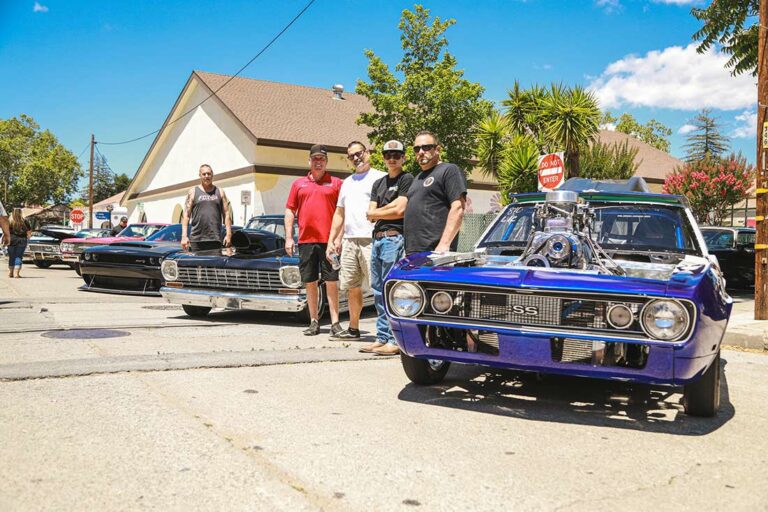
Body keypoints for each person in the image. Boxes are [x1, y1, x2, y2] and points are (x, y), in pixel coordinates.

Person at [326, 142, 386, 341]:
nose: (356, 158)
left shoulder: (380, 177)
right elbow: (339, 213)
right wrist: (332, 240)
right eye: (351, 156)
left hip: (372, 239)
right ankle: (353, 329)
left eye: (359, 153)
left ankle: (386, 335)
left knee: (379, 287)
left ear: (367, 153)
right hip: (350, 241)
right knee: (353, 287)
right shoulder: (347, 183)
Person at [285, 144, 343, 336]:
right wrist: (288, 237)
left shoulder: (336, 183)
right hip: (306, 241)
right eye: (315, 159)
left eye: (322, 159)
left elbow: (343, 213)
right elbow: (290, 210)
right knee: (310, 282)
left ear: (326, 162)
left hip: (330, 242)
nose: (319, 162)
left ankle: (335, 323)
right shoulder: (298, 184)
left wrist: (339, 238)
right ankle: (314, 321)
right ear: (309, 161)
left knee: (331, 281)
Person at [363, 140, 414, 355]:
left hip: (395, 238)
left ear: (403, 157)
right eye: (388, 155)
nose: (392, 159)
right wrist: (386, 209)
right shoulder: (378, 183)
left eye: (396, 155)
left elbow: (400, 210)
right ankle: (381, 336)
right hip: (377, 239)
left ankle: (394, 339)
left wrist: (380, 212)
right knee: (377, 289)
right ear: (383, 158)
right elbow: (369, 213)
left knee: (391, 289)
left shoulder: (407, 179)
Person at [403, 130, 467, 255]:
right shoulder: (417, 178)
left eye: (426, 147)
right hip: (412, 253)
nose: (421, 152)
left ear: (437, 149)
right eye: (417, 149)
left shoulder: (449, 170)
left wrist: (444, 244)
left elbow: (458, 207)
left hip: (436, 253)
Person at [181, 164, 232, 252]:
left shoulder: (220, 192)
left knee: (214, 265)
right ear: (200, 175)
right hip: (196, 239)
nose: (206, 176)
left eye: (209, 174)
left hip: (215, 239)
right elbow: (186, 216)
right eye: (204, 174)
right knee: (195, 265)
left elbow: (226, 214)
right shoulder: (193, 192)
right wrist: (184, 236)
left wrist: (228, 234)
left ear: (212, 175)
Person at [7, 208, 31, 278]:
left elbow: (6, 231)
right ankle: (16, 274)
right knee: (18, 256)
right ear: (21, 213)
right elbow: (29, 232)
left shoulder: (9, 221)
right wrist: (28, 237)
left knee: (11, 257)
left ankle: (11, 273)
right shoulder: (25, 221)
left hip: (11, 240)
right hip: (22, 240)